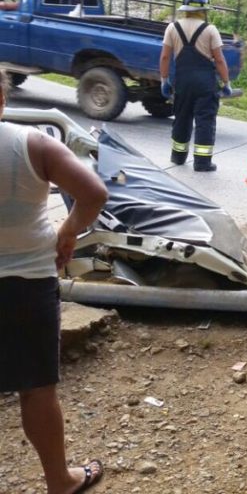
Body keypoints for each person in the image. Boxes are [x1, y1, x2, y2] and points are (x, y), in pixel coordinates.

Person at [0, 70, 108, 493]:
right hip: (28, 284)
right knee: (37, 390)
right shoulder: (33, 144)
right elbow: (94, 192)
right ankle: (59, 481)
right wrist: (68, 231)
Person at [159, 0, 234, 172]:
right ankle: (202, 162)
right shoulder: (210, 30)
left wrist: (164, 80)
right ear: (204, 11)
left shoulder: (172, 28)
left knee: (181, 118)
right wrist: (226, 83)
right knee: (205, 121)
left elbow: (165, 57)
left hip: (183, 82)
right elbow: (220, 60)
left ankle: (177, 157)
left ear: (185, 9)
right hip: (204, 83)